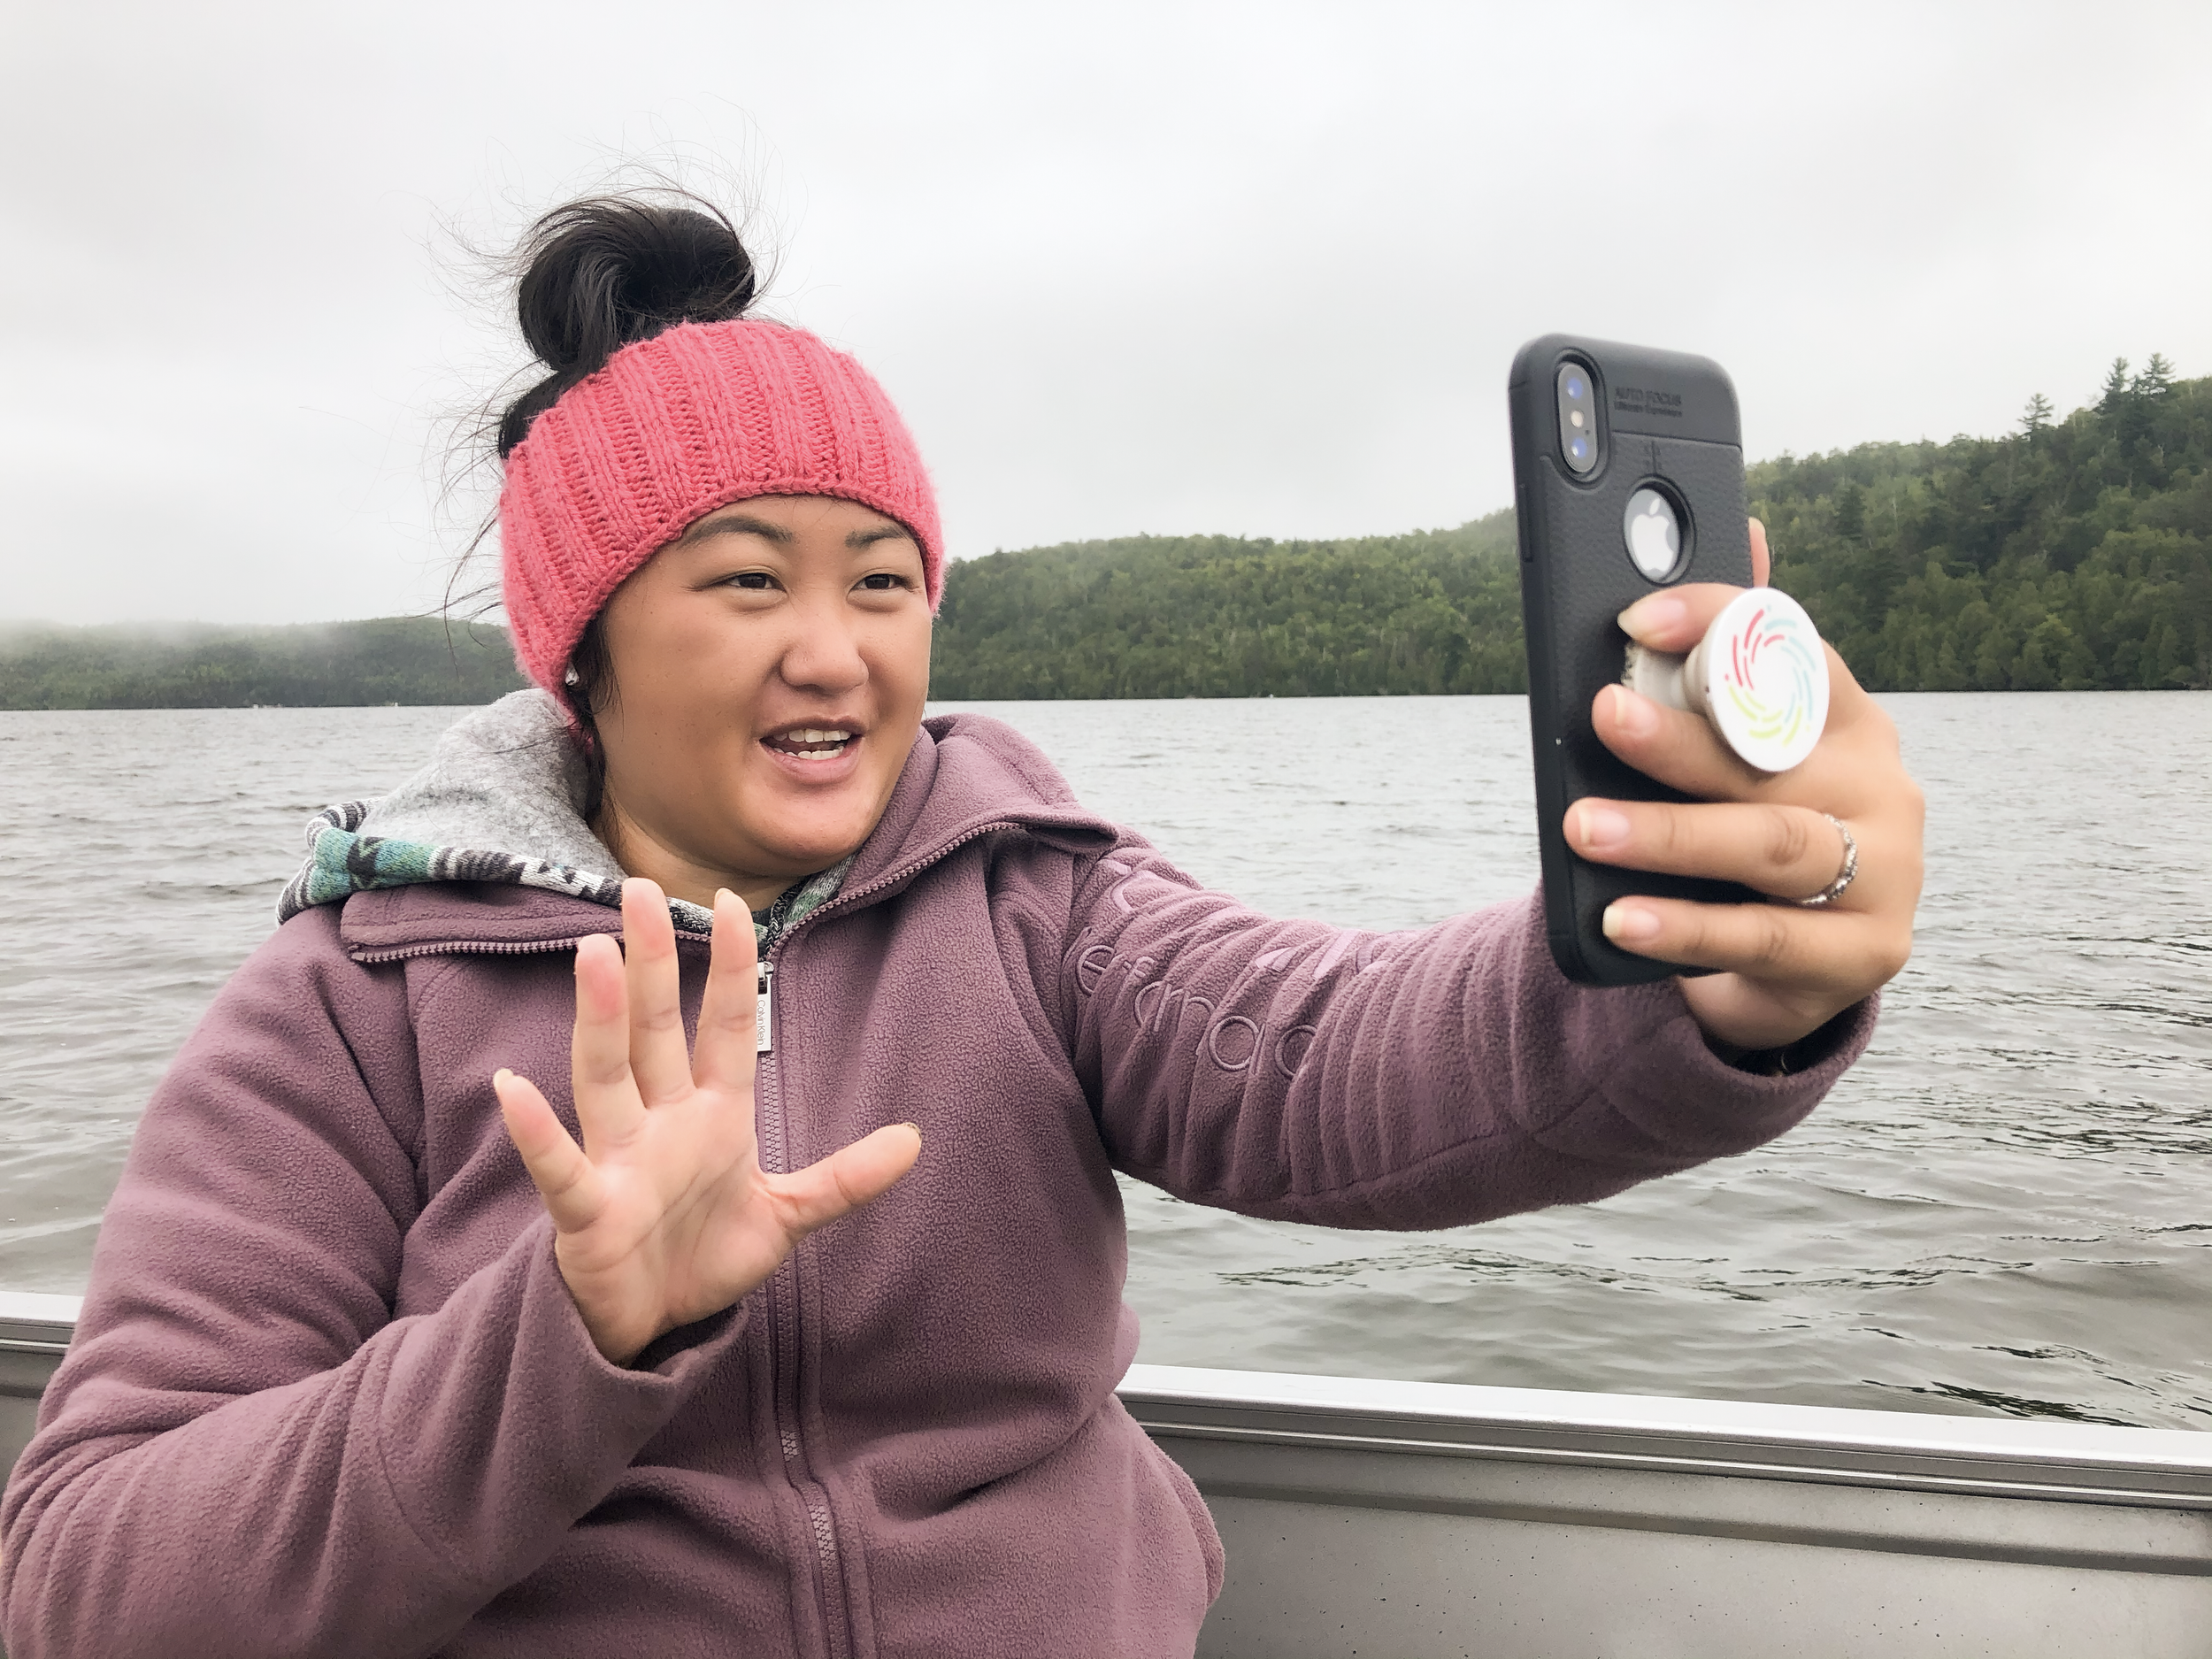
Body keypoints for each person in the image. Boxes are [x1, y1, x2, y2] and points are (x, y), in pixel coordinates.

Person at [0, 196, 1922, 1659]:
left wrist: (1699, 981)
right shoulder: (359, 996)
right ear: (576, 649)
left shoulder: (1030, 890)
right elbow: (85, 1573)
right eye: (745, 581)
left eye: (886, 582)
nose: (833, 650)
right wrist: (571, 1335)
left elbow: (1345, 1061)